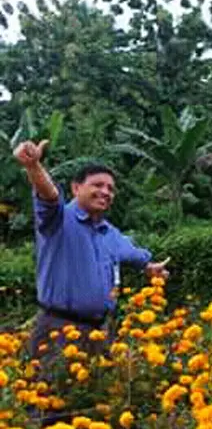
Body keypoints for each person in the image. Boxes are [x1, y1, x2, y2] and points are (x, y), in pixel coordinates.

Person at [13, 141, 170, 359]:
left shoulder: (110, 233)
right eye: (97, 185)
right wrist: (33, 166)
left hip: (100, 332)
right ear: (76, 188)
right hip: (58, 330)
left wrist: (150, 267)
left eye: (110, 189)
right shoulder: (58, 220)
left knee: (96, 392)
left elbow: (134, 255)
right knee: (53, 390)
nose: (105, 192)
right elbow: (49, 196)